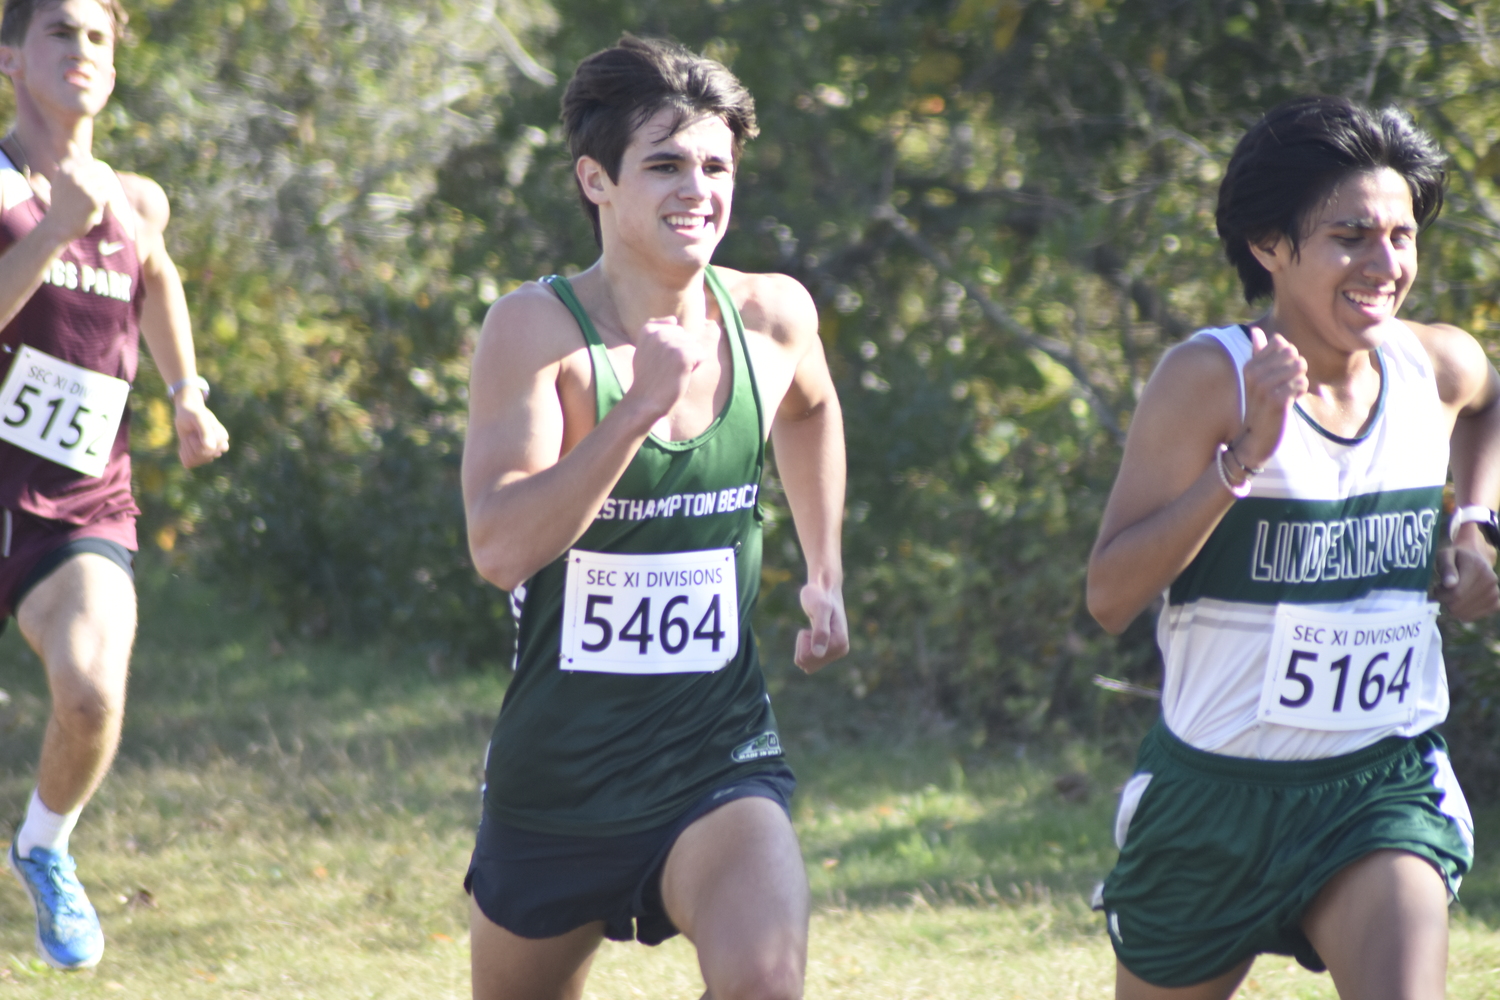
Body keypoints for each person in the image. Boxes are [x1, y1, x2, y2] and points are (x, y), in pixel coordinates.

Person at [460, 35, 848, 1000]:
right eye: (666, 164)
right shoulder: (536, 332)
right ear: (595, 179)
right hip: (558, 784)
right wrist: (634, 411)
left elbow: (811, 409)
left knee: (766, 985)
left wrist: (825, 568)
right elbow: (500, 546)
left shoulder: (771, 319)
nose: (698, 189)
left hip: (715, 762)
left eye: (716, 165)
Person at [1086, 95, 1500, 1000]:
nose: (1386, 265)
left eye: (1401, 235)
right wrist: (1240, 464)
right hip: (1213, 795)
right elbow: (1111, 594)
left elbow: (1490, 400)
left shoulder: (1429, 365)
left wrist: (1476, 524)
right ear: (1272, 244)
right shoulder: (1210, 379)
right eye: (1351, 236)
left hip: (1379, 780)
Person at [0, 0, 228, 971]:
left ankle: (44, 847)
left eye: (99, 37)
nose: (83, 51)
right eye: (61, 32)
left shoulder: (136, 197)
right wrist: (52, 228)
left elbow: (162, 277)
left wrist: (188, 392)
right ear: (10, 56)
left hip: (79, 498)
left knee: (92, 692)